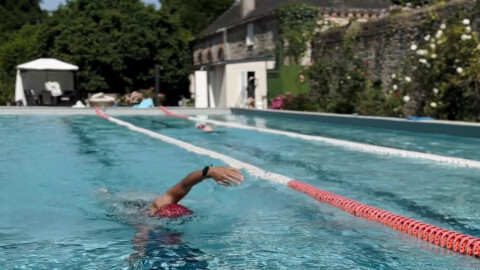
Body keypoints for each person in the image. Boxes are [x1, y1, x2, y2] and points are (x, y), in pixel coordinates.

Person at [150, 166, 244, 217]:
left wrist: (209, 171)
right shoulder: (155, 207)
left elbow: (185, 184)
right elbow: (184, 184)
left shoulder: (162, 204)